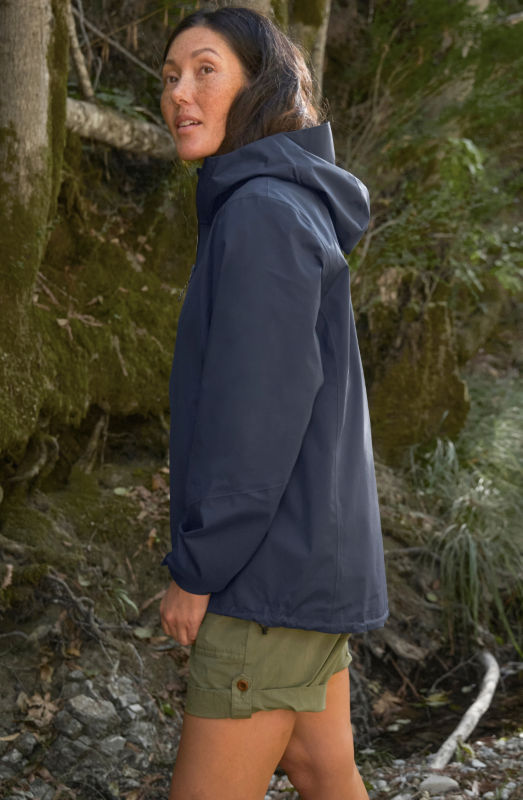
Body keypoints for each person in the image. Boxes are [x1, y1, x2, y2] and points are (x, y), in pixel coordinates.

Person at [159, 7, 388, 800]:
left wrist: (199, 566)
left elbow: (256, 418)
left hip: (262, 579)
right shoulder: (279, 205)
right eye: (169, 76)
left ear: (259, 88)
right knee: (325, 773)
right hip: (303, 567)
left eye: (204, 69)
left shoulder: (261, 212)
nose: (179, 92)